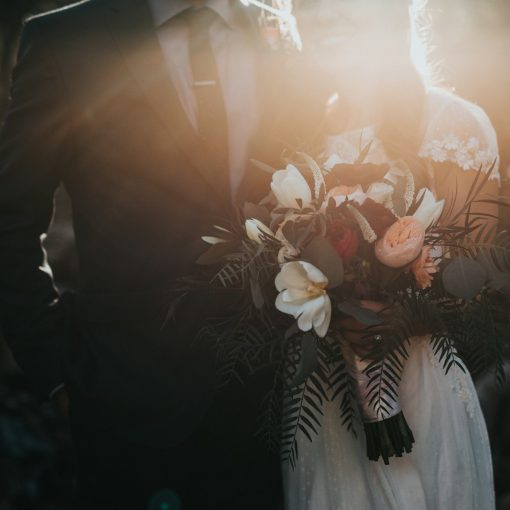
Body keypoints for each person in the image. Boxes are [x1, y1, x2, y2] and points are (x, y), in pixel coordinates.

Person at [0, 0, 286, 508]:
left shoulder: (275, 30)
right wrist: (56, 372)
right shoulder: (65, 41)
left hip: (269, 406)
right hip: (125, 404)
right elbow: (10, 218)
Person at [283, 0, 499, 508]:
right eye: (305, 4)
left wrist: (401, 313)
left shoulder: (452, 124)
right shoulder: (293, 137)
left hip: (422, 391)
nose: (322, 14)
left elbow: (487, 278)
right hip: (320, 405)